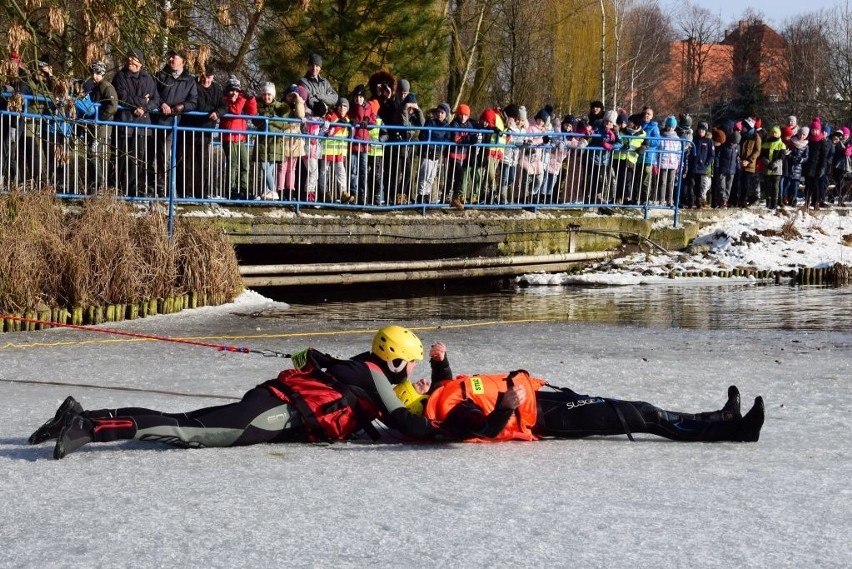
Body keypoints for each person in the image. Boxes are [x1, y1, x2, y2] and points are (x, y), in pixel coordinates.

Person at [29, 326, 446, 459]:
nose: (410, 371)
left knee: (188, 423)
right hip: (276, 414)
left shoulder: (361, 364)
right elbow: (406, 421)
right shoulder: (374, 375)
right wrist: (447, 433)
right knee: (187, 431)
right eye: (409, 363)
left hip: (274, 402)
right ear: (393, 360)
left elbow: (394, 402)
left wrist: (436, 377)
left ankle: (82, 412)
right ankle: (89, 425)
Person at [392, 343, 765, 443]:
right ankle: (728, 428)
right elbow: (485, 429)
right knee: (641, 415)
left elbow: (449, 383)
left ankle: (724, 419)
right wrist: (506, 406)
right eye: (417, 387)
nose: (422, 381)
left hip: (543, 401)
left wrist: (442, 360)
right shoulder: (447, 412)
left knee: (635, 408)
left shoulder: (441, 392)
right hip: (548, 418)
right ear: (419, 402)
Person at [113, 49, 160, 197]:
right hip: (124, 123)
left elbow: (156, 100)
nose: (130, 62)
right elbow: (122, 96)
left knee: (139, 160)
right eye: (129, 58)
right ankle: (117, 190)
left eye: (134, 59)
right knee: (121, 158)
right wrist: (142, 102)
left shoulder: (148, 79)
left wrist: (144, 108)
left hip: (142, 125)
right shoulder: (120, 76)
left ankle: (134, 191)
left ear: (140, 62)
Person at [151, 48, 198, 196]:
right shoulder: (160, 75)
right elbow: (153, 94)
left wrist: (181, 107)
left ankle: (166, 189)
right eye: (170, 57)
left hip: (175, 123)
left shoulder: (189, 80)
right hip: (157, 121)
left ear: (182, 61)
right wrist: (162, 104)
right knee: (155, 156)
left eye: (174, 57)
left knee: (167, 158)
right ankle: (156, 188)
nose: (171, 59)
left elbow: (193, 102)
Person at [178, 65, 227, 199]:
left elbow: (224, 106)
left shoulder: (217, 89)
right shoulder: (193, 85)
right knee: (186, 163)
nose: (206, 80)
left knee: (202, 164)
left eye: (209, 78)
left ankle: (201, 192)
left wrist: (217, 113)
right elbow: (198, 105)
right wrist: (211, 111)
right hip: (188, 130)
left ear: (213, 77)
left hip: (205, 133)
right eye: (204, 77)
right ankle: (184, 192)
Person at [219, 75, 257, 200]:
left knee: (245, 163)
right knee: (233, 163)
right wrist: (243, 98)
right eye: (232, 90)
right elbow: (235, 110)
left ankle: (243, 188)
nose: (234, 93)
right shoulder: (225, 101)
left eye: (237, 91)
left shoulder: (241, 100)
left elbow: (252, 112)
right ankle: (231, 189)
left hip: (241, 138)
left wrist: (250, 99)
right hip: (228, 137)